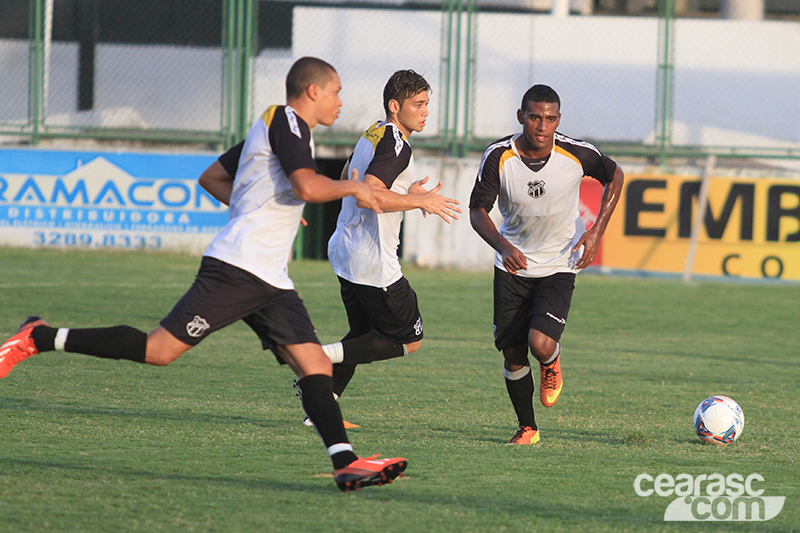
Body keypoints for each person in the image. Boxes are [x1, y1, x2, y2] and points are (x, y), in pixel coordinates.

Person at [0, 57, 408, 492]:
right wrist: (355, 186)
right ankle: (39, 336)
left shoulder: (275, 125)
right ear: (312, 91)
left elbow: (212, 177)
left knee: (314, 364)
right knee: (158, 350)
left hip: (270, 278)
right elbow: (306, 186)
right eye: (336, 92)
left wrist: (259, 209)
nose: (340, 102)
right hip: (236, 268)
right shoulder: (287, 122)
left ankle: (346, 464)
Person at [468, 84, 624, 445]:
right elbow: (477, 211)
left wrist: (596, 231)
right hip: (513, 264)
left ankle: (551, 361)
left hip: (559, 261)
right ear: (521, 117)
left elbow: (615, 175)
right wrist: (503, 246)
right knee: (512, 353)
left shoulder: (575, 152)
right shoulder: (498, 156)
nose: (542, 126)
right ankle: (528, 428)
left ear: (558, 119)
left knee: (539, 343)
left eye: (550, 119)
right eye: (535, 117)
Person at [303, 69, 460, 426]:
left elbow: (347, 178)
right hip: (372, 262)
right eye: (417, 104)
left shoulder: (374, 131)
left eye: (427, 104)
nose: (425, 112)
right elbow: (367, 195)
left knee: (361, 337)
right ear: (394, 106)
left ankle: (319, 410)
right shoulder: (397, 145)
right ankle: (315, 358)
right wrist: (420, 202)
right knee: (408, 339)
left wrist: (405, 193)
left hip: (345, 250)